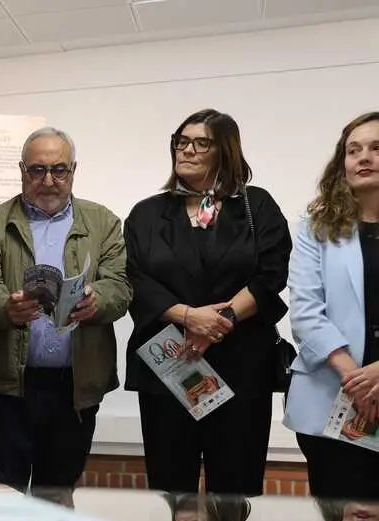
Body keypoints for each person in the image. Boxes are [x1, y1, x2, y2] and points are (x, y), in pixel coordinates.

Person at [125, 109, 291, 496]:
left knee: (235, 494)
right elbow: (132, 276)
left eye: (201, 142)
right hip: (169, 365)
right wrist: (187, 316)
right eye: (181, 141)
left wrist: (218, 322)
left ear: (225, 151)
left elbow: (272, 273)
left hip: (242, 369)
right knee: (171, 492)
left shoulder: (258, 206)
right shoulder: (147, 213)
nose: (187, 150)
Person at [0, 127, 131, 490]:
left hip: (75, 390)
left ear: (74, 170)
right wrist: (7, 307)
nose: (49, 180)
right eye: (38, 170)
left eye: (59, 170)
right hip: (5, 390)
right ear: (22, 170)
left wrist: (96, 300)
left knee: (57, 499)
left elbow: (119, 285)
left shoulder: (103, 222)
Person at [285, 111, 379, 499]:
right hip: (332, 400)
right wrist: (356, 380)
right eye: (353, 149)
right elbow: (306, 311)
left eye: (376, 148)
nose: (363, 157)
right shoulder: (315, 226)